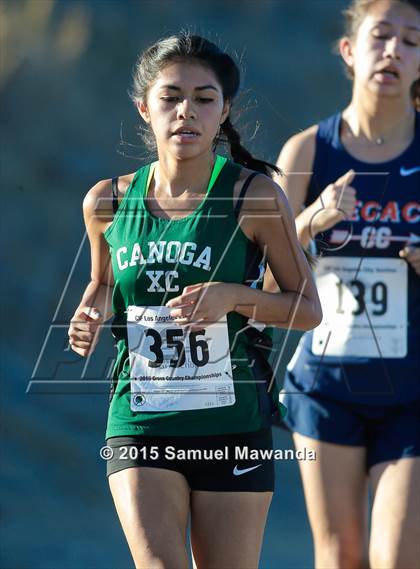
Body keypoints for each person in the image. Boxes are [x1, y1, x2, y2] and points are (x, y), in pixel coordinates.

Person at [68, 33, 321, 569]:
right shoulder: (107, 202)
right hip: (141, 421)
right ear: (144, 108)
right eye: (170, 97)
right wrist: (90, 311)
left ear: (224, 109)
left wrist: (231, 296)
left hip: (232, 423)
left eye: (204, 98)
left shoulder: (252, 197)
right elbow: (104, 284)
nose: (187, 111)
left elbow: (307, 308)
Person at [276, 1, 420, 568]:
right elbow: (263, 283)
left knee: (395, 559)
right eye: (381, 35)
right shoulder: (307, 151)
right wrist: (311, 221)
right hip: (325, 388)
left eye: (411, 41)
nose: (393, 50)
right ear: (350, 50)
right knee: (339, 560)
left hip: (412, 392)